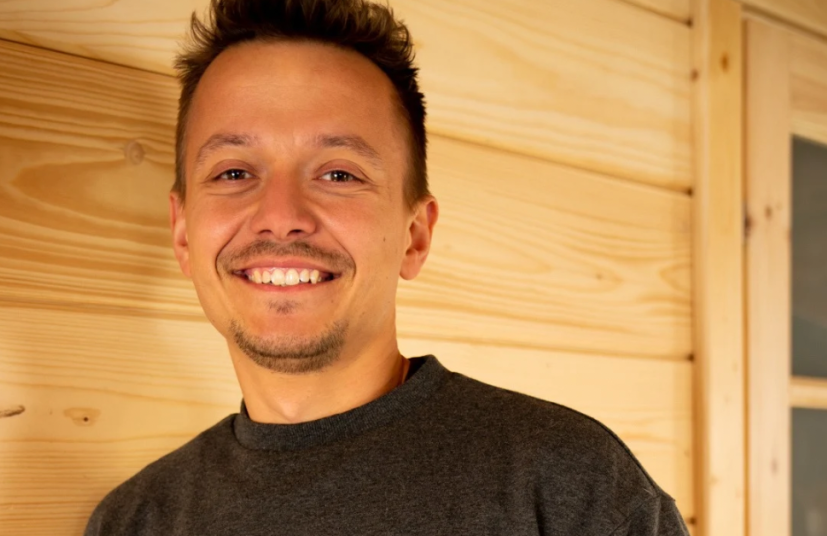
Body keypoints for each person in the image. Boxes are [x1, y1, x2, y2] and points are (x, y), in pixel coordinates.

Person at [84, 0, 690, 534]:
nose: (281, 216)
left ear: (414, 236)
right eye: (234, 172)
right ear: (183, 233)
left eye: (338, 173)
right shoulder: (135, 521)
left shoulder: (572, 487)